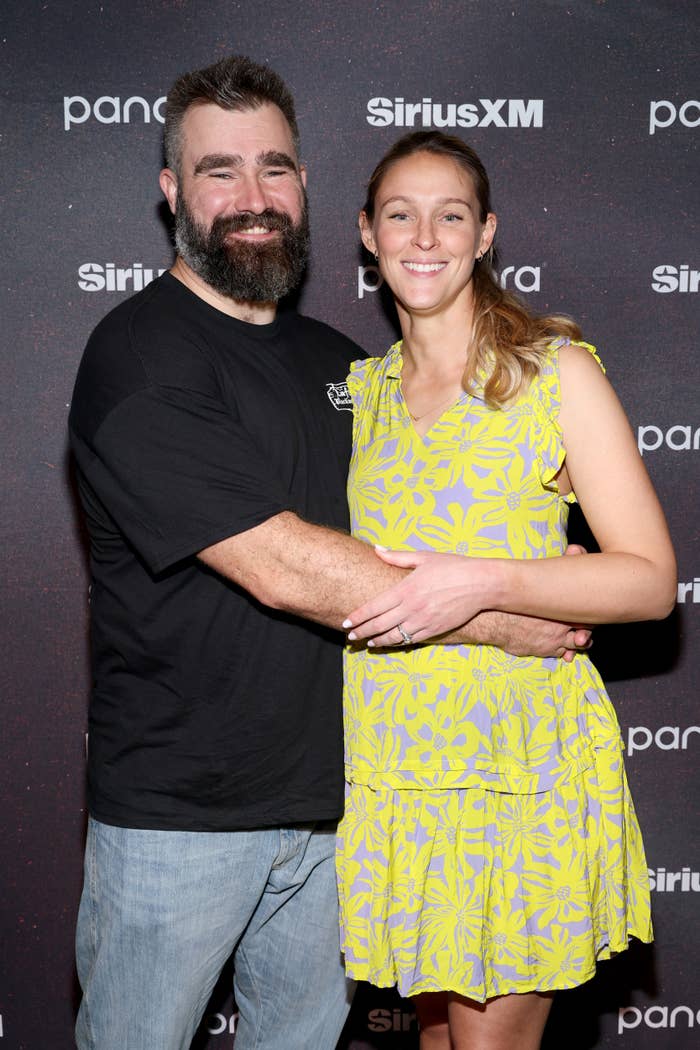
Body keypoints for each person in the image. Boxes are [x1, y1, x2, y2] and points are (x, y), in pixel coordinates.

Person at [69, 55, 593, 1050]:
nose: (253, 197)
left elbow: (441, 515)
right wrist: (508, 621)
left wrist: (539, 534)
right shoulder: (140, 354)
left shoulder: (345, 370)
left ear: (305, 187)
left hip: (343, 811)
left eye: (276, 168)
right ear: (173, 192)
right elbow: (283, 564)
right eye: (219, 171)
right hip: (181, 821)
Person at [336, 131, 676, 1050]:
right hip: (397, 767)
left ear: (486, 235)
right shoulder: (359, 395)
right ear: (367, 235)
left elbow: (651, 581)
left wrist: (484, 582)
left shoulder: (554, 373)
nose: (425, 237)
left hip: (514, 765)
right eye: (399, 215)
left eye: (451, 216)